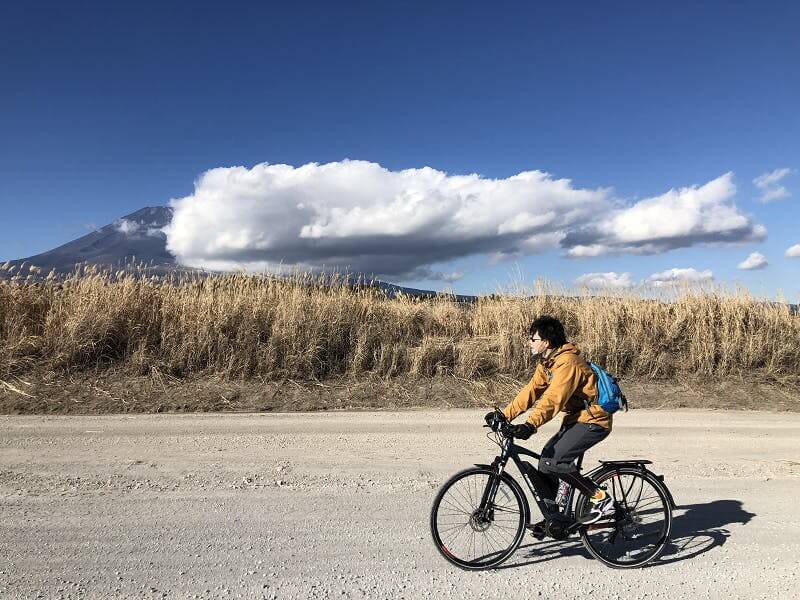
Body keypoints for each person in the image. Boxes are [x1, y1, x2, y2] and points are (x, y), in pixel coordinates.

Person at [484, 315, 613, 529]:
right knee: (546, 462)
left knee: (554, 462)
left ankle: (599, 497)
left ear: (547, 342)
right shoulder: (548, 363)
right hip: (576, 419)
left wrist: (530, 424)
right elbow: (531, 391)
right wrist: (505, 415)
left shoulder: (569, 363)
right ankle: (556, 519)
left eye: (533, 338)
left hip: (594, 421)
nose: (529, 342)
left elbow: (554, 399)